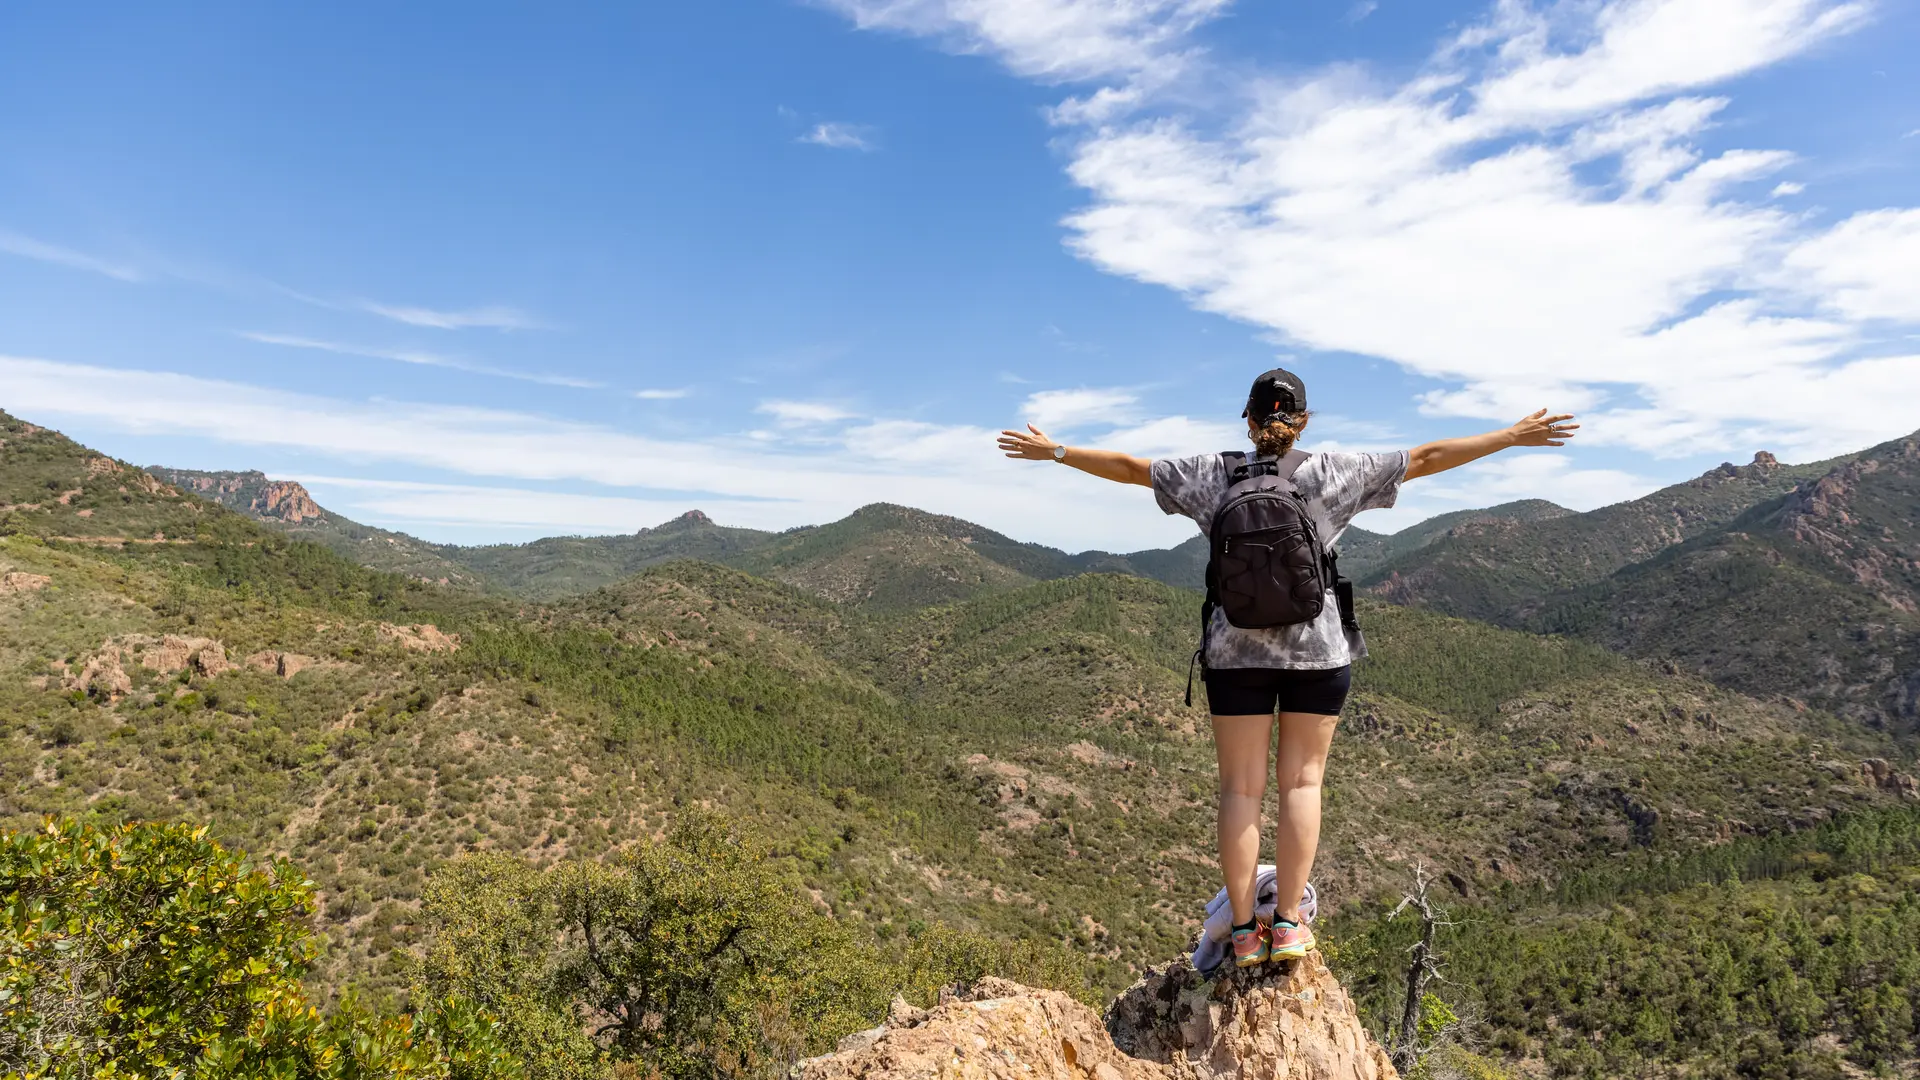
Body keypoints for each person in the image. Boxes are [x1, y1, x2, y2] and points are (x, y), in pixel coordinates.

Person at [997, 368, 1577, 967]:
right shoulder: (1333, 472)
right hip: (1318, 655)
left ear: (1247, 421)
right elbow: (1426, 456)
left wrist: (1055, 451)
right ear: (1302, 420)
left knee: (1240, 790)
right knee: (1302, 784)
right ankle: (1291, 924)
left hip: (1234, 656)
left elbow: (1128, 466)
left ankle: (1244, 931)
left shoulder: (1213, 474)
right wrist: (1510, 436)